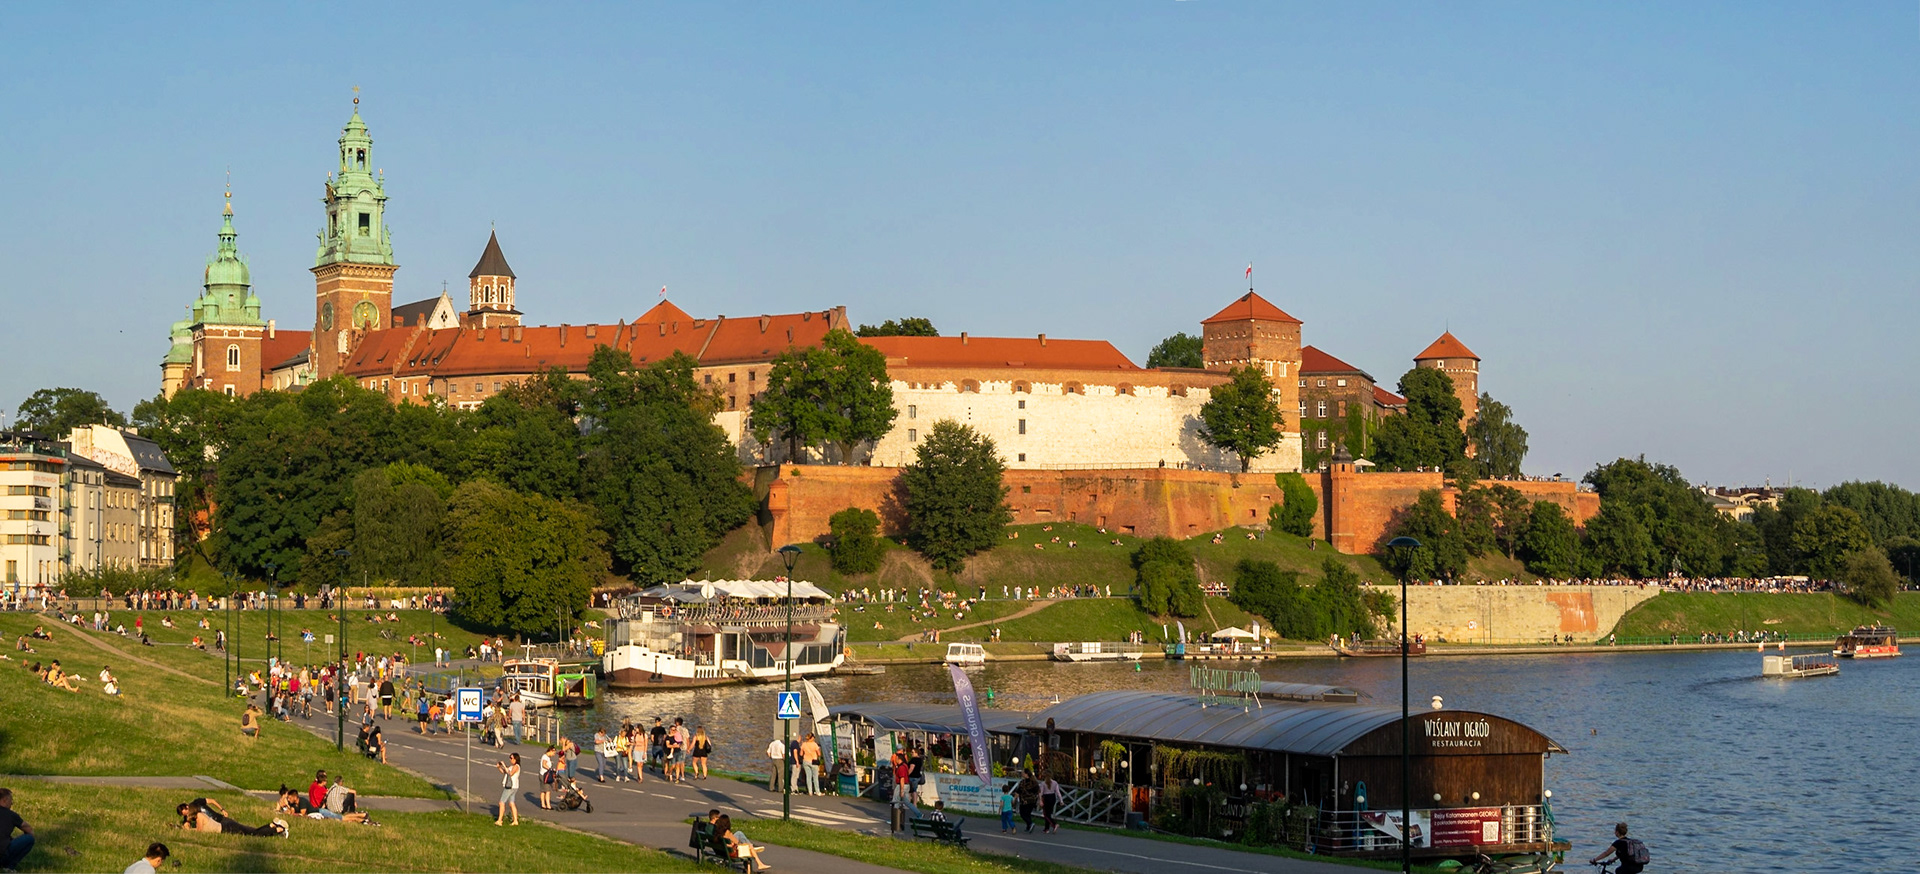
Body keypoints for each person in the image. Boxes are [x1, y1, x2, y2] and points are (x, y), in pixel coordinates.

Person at [176, 797, 286, 837]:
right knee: (251, 831)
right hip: (222, 825)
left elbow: (212, 801)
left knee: (253, 833)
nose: (186, 815)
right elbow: (187, 823)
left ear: (187, 807)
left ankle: (278, 829)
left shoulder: (197, 807)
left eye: (185, 812)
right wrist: (184, 827)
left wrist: (222, 809)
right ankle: (271, 825)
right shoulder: (193, 815)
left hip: (224, 823)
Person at [0, 787, 33, 871]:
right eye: (11, 800)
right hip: (2, 855)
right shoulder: (11, 815)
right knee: (29, 838)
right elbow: (29, 830)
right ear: (4, 800)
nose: (12, 803)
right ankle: (9, 867)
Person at [494, 753, 522, 826]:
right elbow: (505, 772)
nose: (510, 759)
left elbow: (510, 773)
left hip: (510, 786)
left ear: (516, 759)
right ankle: (515, 820)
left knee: (501, 802)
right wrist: (499, 767)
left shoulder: (516, 766)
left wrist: (503, 764)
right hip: (513, 786)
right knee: (511, 803)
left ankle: (500, 820)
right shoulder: (512, 766)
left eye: (511, 758)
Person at [539, 746, 558, 810]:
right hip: (544, 775)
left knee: (543, 791)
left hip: (544, 774)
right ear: (551, 751)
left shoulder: (547, 757)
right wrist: (550, 769)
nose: (554, 754)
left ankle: (543, 804)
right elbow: (544, 764)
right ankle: (548, 805)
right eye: (554, 753)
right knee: (547, 791)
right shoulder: (545, 757)